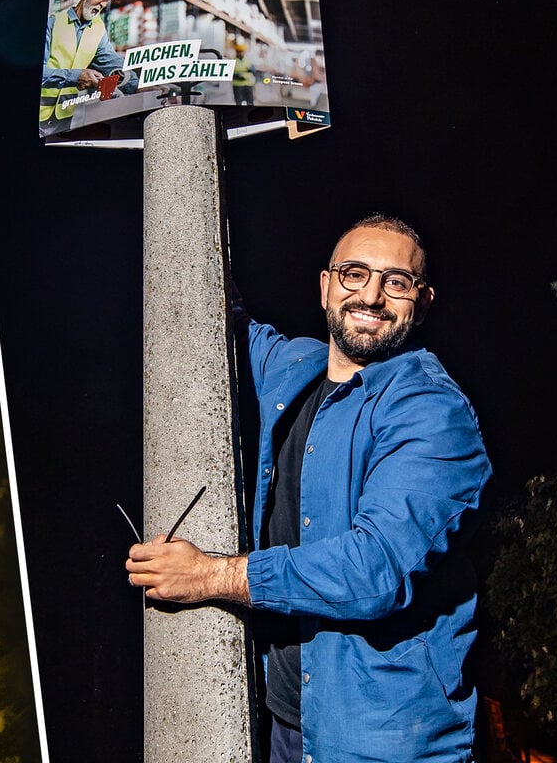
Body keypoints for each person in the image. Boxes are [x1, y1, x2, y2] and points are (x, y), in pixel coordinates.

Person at [126, 215, 491, 762]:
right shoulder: (294, 367)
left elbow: (374, 570)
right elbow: (220, 307)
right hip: (291, 724)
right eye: (354, 274)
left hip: (383, 739)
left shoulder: (432, 413)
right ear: (325, 287)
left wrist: (209, 575)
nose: (370, 295)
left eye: (396, 281)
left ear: (424, 300)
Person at [40, 0, 138, 127]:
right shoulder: (53, 22)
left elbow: (113, 63)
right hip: (39, 118)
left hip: (68, 120)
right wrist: (76, 76)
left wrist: (138, 86)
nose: (103, 4)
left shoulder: (98, 30)